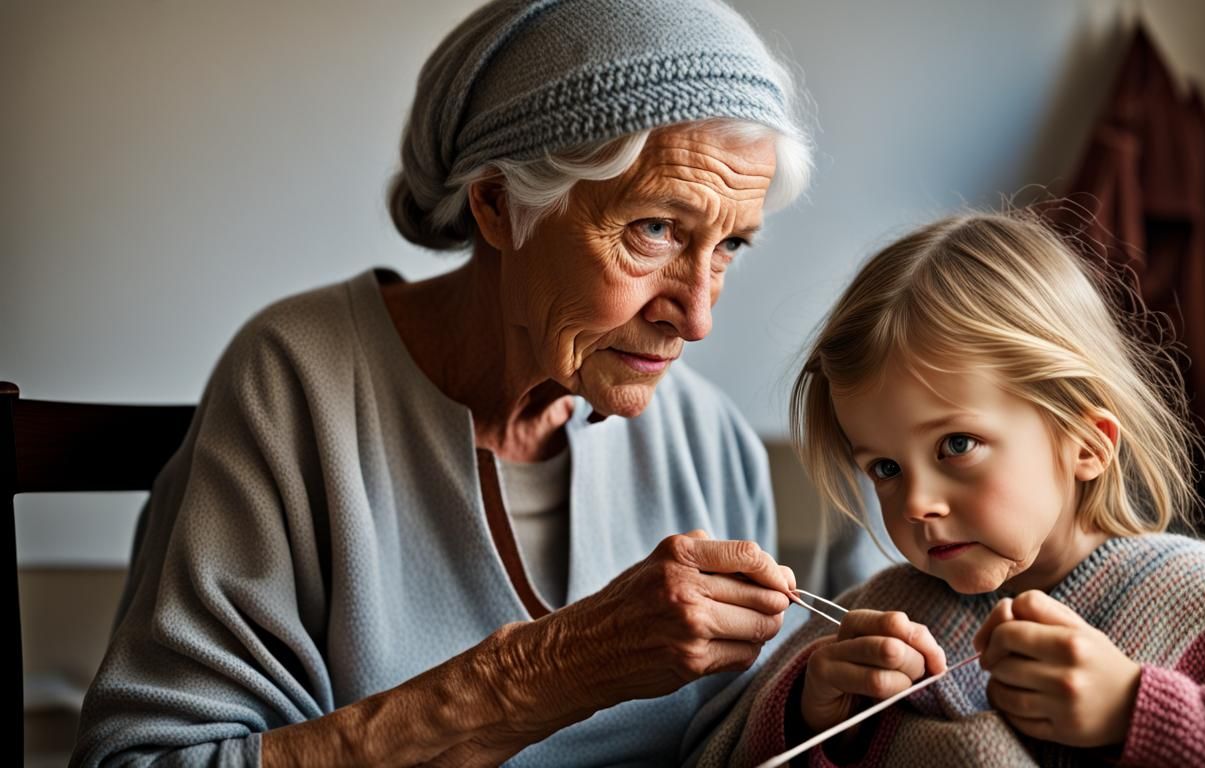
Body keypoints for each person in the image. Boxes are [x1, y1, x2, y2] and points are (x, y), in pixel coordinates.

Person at [69, 1, 885, 765]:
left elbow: (730, 742)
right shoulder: (297, 384)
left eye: (731, 246)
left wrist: (814, 701)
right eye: (656, 229)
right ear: (497, 207)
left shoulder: (707, 443)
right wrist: (554, 669)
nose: (697, 315)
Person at [697, 213, 1205, 766]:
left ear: (1086, 443)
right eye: (885, 469)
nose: (917, 503)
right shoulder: (881, 615)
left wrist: (1133, 710)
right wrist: (808, 712)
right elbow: (717, 754)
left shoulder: (1202, 601)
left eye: (956, 445)